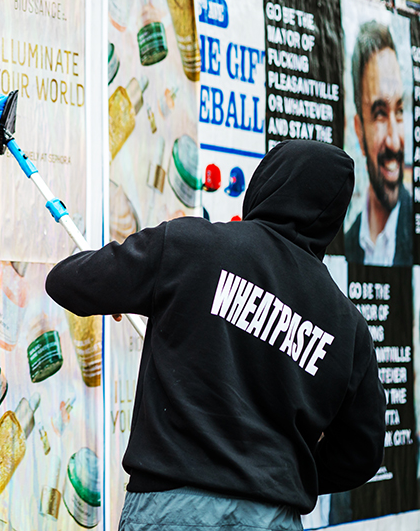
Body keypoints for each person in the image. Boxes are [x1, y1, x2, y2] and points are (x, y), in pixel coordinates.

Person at [46, 140, 385, 530]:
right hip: (273, 516)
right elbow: (360, 453)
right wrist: (285, 474)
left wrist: (137, 287)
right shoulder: (348, 328)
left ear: (268, 182)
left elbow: (67, 282)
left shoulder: (193, 247)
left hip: (171, 509)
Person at [344, 21, 409, 267]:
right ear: (359, 132)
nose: (394, 141)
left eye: (400, 111)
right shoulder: (346, 243)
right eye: (380, 114)